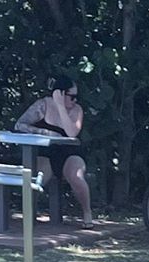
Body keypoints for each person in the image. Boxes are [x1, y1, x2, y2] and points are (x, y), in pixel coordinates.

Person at [14, 76, 93, 227]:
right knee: (40, 177)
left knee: (76, 176)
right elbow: (19, 125)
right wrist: (45, 133)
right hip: (46, 151)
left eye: (77, 97)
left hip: (70, 152)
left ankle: (87, 212)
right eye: (72, 97)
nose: (75, 100)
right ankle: (29, 214)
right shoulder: (43, 105)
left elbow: (71, 133)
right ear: (60, 93)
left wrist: (61, 107)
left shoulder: (77, 110)